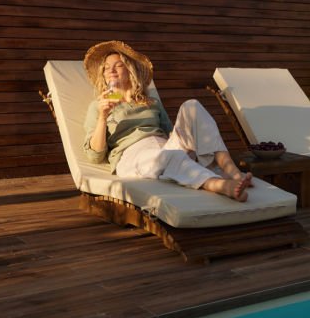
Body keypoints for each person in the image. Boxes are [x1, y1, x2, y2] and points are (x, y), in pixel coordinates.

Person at [82, 40, 253, 201]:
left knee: (191, 105)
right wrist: (103, 117)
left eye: (118, 65)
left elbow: (171, 132)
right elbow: (94, 156)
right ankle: (220, 185)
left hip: (164, 146)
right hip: (132, 156)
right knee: (168, 156)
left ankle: (231, 170)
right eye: (106, 68)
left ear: (130, 70)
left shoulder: (151, 102)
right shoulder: (98, 106)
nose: (111, 70)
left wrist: (189, 144)